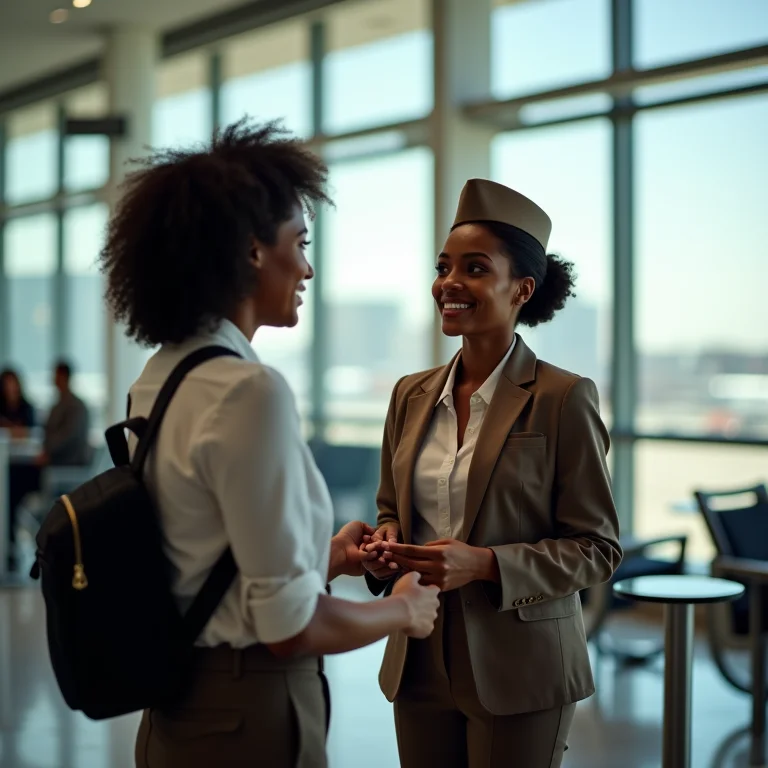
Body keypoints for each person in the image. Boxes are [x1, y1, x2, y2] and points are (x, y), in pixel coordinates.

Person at [98, 119, 440, 768]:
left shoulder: (160, 378)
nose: (307, 267)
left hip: (177, 705)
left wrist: (327, 557)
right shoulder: (248, 392)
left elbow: (204, 553)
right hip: (247, 716)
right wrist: (404, 611)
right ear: (254, 250)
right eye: (300, 242)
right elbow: (290, 630)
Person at [362, 179, 622, 768]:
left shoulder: (563, 397)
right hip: (418, 649)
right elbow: (391, 509)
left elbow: (598, 548)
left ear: (521, 289)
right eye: (443, 266)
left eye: (475, 269)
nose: (449, 283)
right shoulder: (409, 395)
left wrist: (483, 564)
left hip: (522, 662)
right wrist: (385, 543)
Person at [38, 361, 90, 467]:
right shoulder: (59, 404)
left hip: (69, 460)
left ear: (64, 377)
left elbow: (69, 437)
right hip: (58, 457)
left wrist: (49, 452)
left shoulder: (75, 406)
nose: (54, 379)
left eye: (56, 375)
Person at [0, 368, 35, 436]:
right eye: (7, 384)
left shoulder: (27, 408)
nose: (10, 388)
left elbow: (30, 431)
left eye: (12, 383)